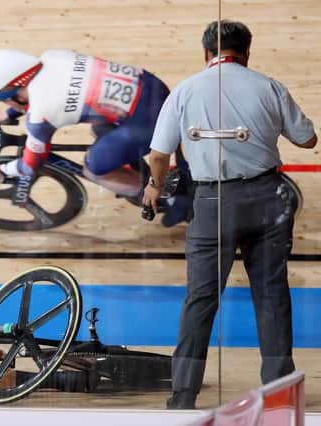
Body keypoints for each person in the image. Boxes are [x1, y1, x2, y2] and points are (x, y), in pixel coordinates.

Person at [142, 20, 317, 409]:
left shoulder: (186, 90)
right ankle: (279, 395)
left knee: (200, 298)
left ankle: (183, 394)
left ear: (206, 53)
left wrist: (155, 186)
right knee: (271, 295)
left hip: (211, 203)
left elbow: (158, 155)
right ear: (247, 52)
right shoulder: (269, 86)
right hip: (268, 197)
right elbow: (308, 139)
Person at [0, 48, 190, 226]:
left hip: (145, 124)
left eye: (6, 102)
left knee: (94, 169)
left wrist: (1, 171)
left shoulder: (40, 115)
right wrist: (7, 115)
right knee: (99, 130)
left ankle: (170, 197)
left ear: (15, 92)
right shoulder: (52, 56)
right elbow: (39, 95)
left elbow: (30, 165)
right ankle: (137, 169)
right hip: (153, 88)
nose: (8, 106)